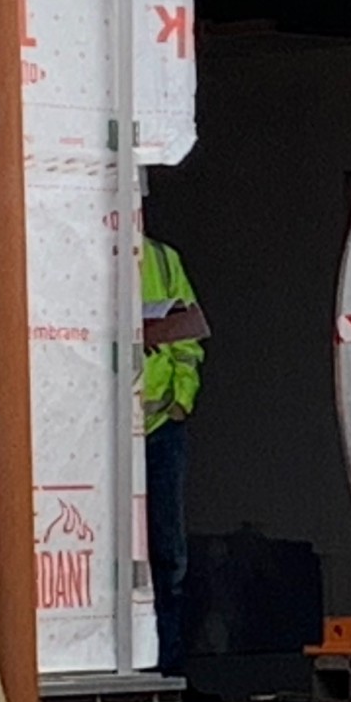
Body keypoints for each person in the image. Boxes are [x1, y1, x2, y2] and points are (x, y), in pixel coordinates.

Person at [141, 228, 208, 677]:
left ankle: (167, 672)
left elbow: (188, 342)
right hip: (98, 433)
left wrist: (181, 401)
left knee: (167, 554)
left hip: (160, 427)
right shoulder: (82, 249)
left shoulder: (163, 259)